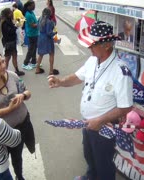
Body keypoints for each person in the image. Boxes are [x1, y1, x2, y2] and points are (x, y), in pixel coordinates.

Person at [48, 21, 133, 180]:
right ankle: (90, 177)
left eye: (92, 44)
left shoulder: (121, 71)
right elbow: (77, 77)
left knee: (104, 163)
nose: (89, 48)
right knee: (89, 155)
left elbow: (125, 107)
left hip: (104, 127)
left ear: (107, 45)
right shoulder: (93, 60)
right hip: (87, 123)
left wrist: (100, 120)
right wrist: (60, 81)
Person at [0, 51, 36, 180]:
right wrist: (8, 109)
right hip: (3, 132)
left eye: (3, 61)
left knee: (17, 155)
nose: (4, 64)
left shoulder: (12, 76)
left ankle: (19, 176)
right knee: (3, 159)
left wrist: (22, 95)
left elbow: (27, 92)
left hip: (23, 125)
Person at [0, 8, 25, 76]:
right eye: (11, 12)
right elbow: (9, 31)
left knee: (14, 56)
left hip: (11, 42)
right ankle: (4, 72)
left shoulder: (8, 20)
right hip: (9, 42)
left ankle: (16, 70)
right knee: (7, 58)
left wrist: (15, 25)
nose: (12, 13)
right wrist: (15, 26)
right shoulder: (5, 22)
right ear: (8, 14)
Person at [35, 8, 59, 75]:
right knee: (51, 54)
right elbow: (49, 33)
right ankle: (51, 71)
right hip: (47, 39)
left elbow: (37, 27)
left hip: (40, 37)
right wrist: (55, 32)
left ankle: (37, 68)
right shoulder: (49, 21)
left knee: (41, 54)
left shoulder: (40, 19)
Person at [21, 0, 39, 70]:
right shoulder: (28, 14)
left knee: (34, 48)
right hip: (31, 34)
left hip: (35, 33)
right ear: (29, 6)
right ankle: (25, 63)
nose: (34, 7)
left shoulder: (31, 12)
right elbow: (33, 25)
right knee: (31, 49)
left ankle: (34, 62)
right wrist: (39, 24)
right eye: (33, 6)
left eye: (34, 5)